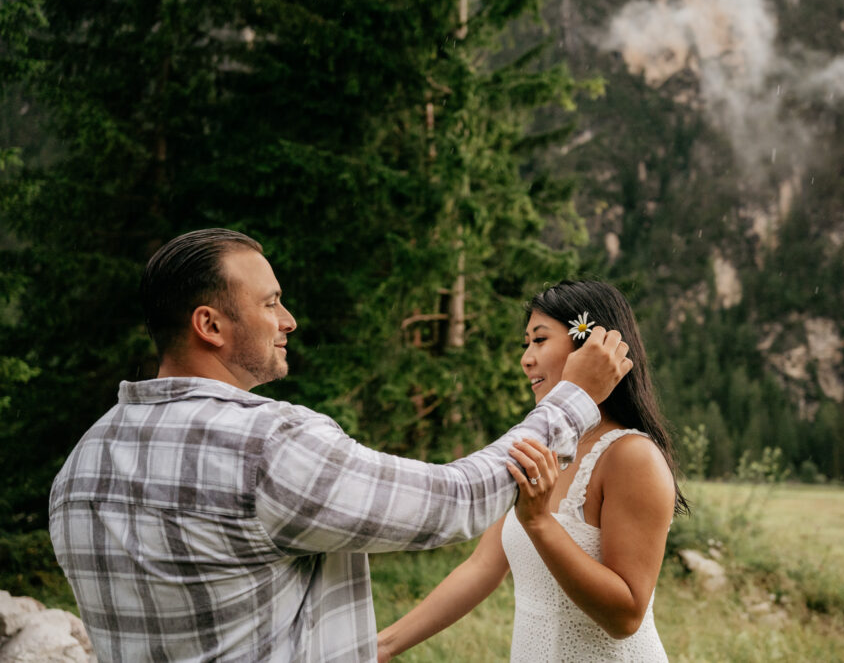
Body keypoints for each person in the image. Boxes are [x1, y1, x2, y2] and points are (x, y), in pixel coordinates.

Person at [48, 229, 633, 662]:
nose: (290, 320)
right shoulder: (267, 446)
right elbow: (453, 501)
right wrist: (572, 401)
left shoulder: (80, 467)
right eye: (270, 302)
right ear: (210, 325)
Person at [377, 280, 688, 661]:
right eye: (525, 343)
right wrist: (382, 647)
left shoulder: (632, 457)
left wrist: (540, 522)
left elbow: (626, 616)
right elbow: (481, 567)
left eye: (540, 340)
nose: (526, 358)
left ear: (589, 347)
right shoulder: (542, 445)